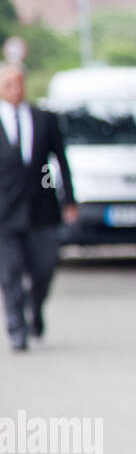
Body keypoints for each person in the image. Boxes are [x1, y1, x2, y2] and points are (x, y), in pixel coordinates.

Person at [0, 47, 78, 352]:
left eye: (19, 83)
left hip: (42, 209)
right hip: (4, 214)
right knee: (10, 273)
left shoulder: (44, 119)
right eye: (8, 84)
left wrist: (70, 199)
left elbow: (61, 160)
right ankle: (16, 329)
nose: (14, 89)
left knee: (44, 268)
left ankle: (35, 310)